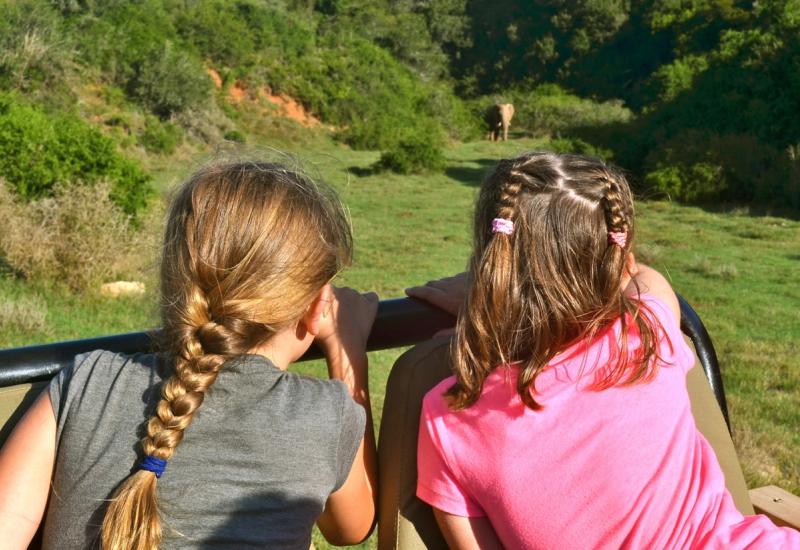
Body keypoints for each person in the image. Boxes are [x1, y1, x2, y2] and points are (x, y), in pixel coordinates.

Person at [406, 152, 800, 549]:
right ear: (619, 258)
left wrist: (487, 298)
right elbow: (644, 276)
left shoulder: (449, 420)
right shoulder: (646, 334)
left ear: (492, 259)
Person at [0, 162, 378, 549]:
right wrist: (348, 354)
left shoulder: (87, 382)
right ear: (318, 308)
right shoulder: (325, 413)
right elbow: (352, 528)